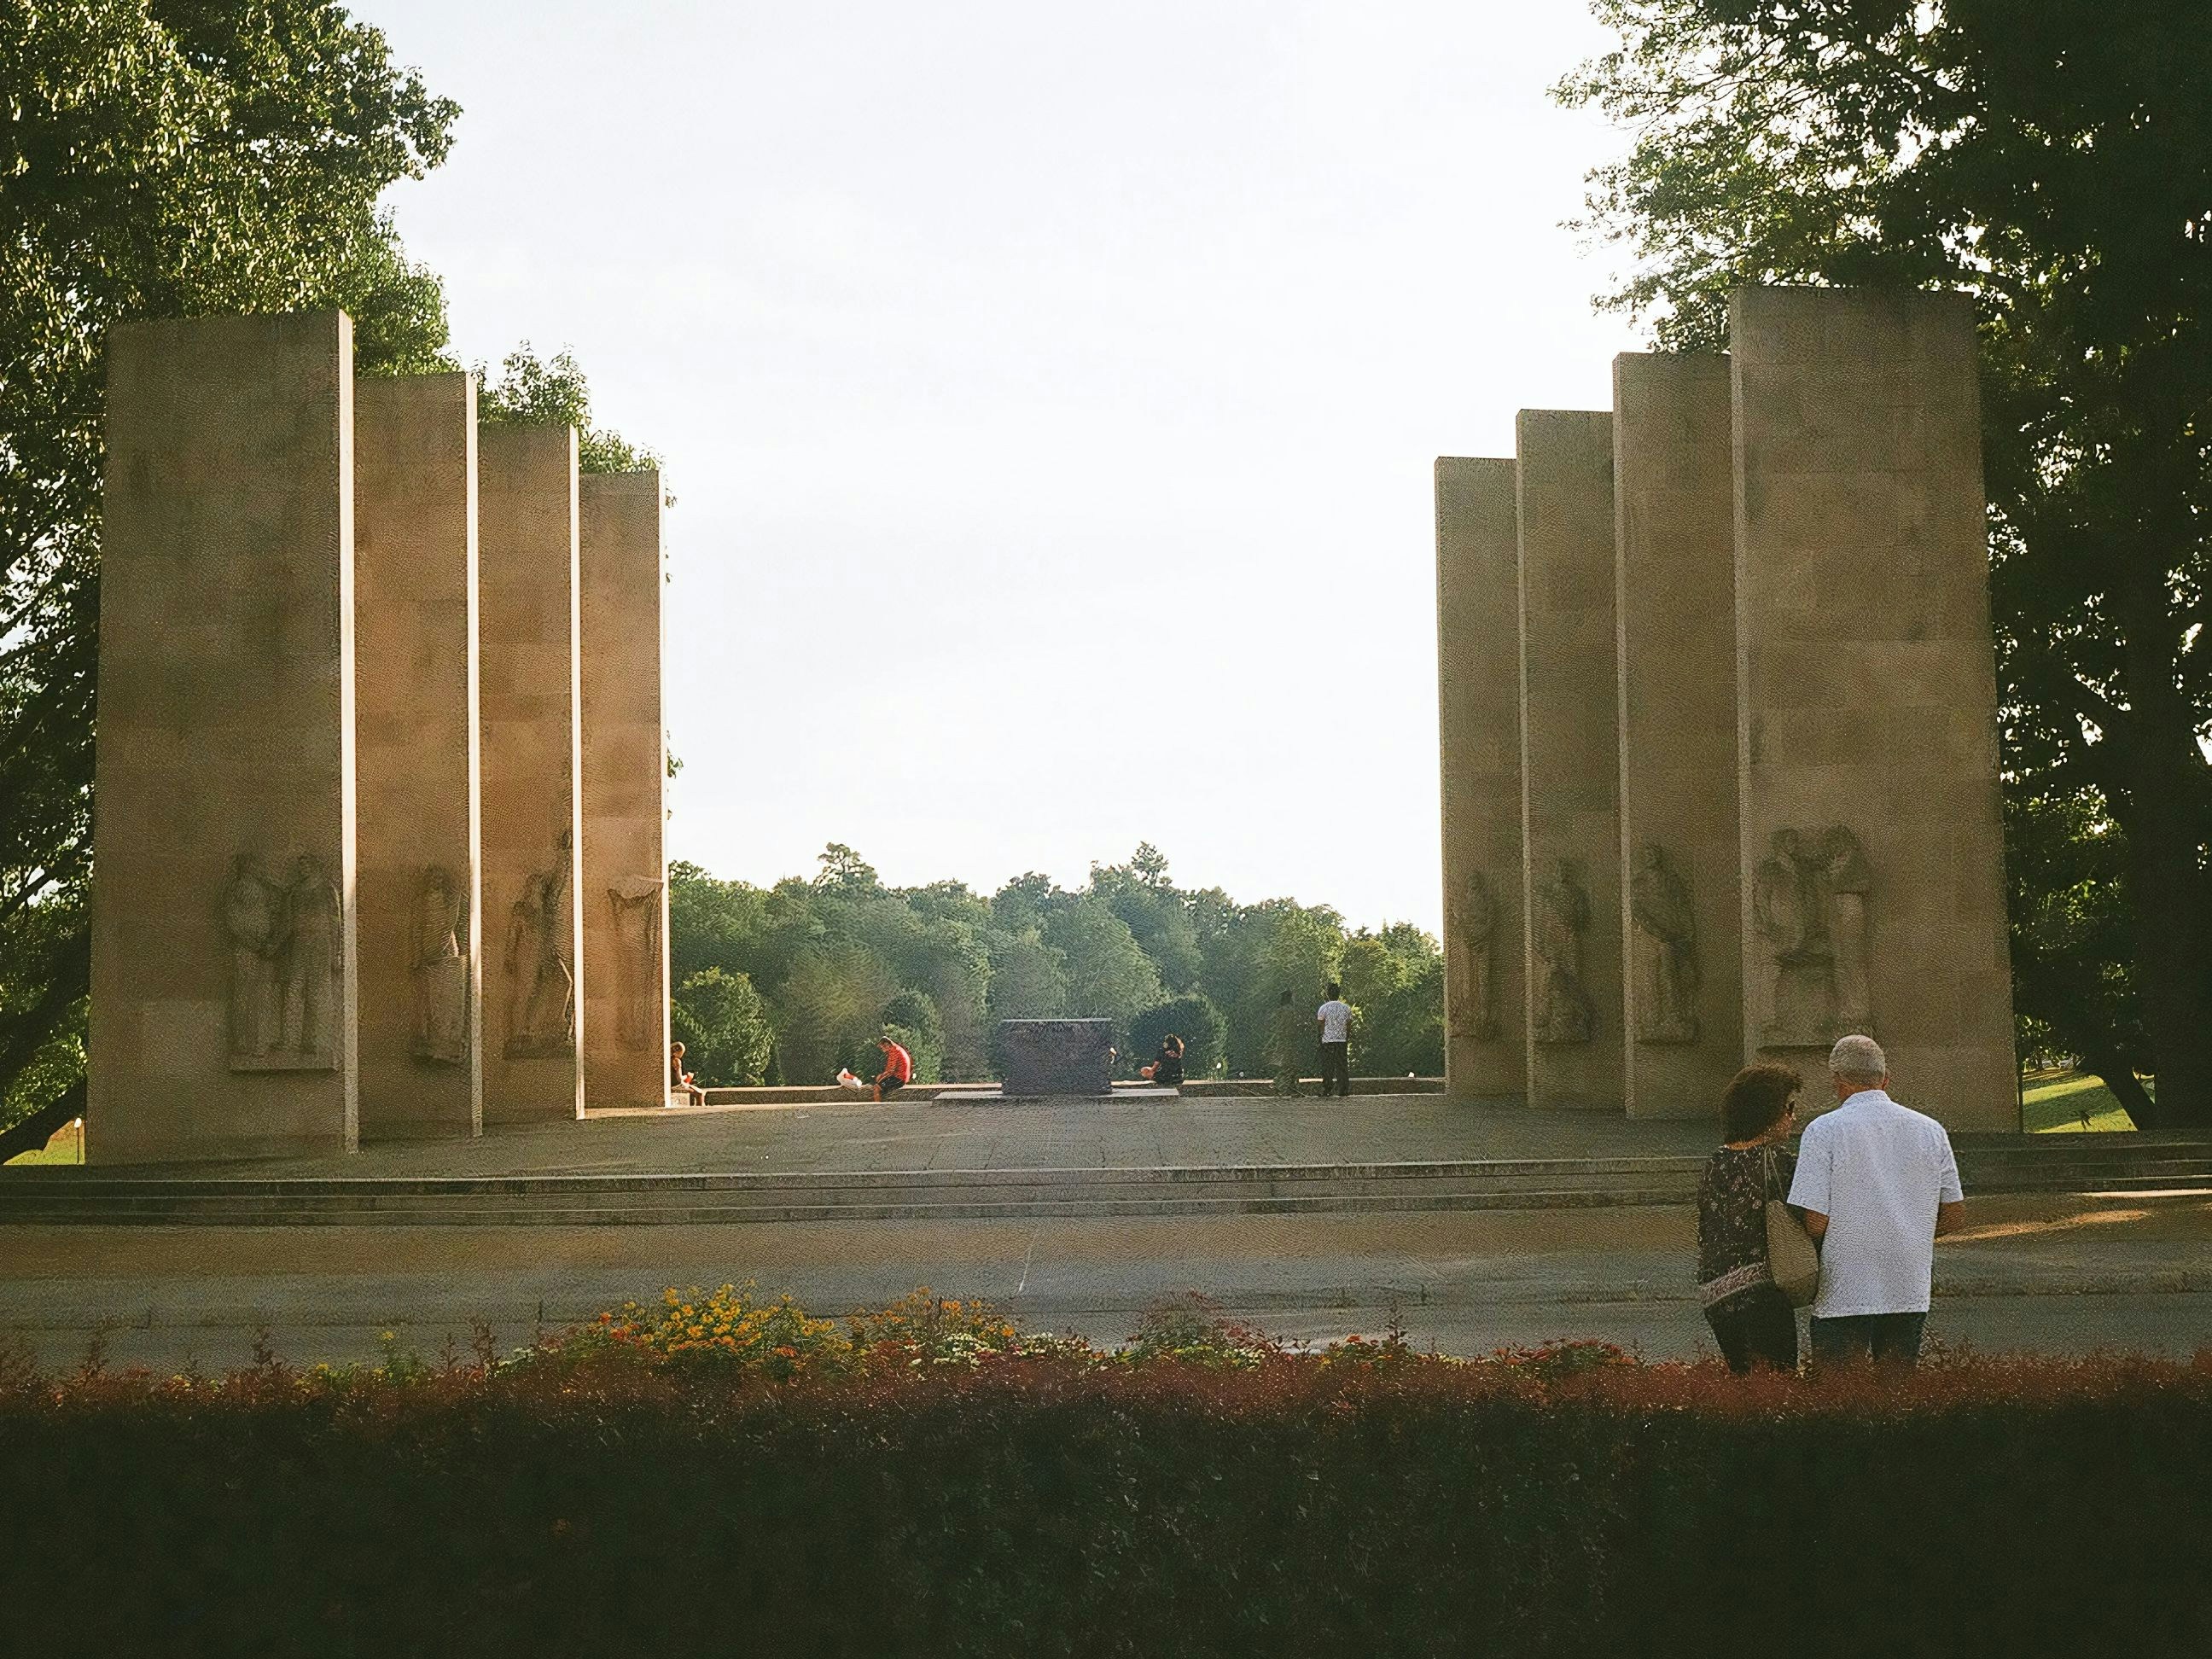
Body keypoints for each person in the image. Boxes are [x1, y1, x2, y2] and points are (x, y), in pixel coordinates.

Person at [1787, 1033, 1965, 1370]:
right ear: (1886, 1079)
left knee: (1840, 1391)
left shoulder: (1823, 1131)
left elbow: (1815, 1220)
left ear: (1837, 1080)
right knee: (1896, 1389)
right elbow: (1954, 1215)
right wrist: (1911, 1233)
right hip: (1908, 1278)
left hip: (1844, 1282)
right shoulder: (1931, 1130)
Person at [1696, 1062, 1805, 1373]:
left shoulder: (1716, 1161)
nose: (1793, 1117)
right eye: (1788, 1108)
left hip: (1715, 1293)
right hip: (1761, 1294)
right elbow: (1812, 1218)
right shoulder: (1779, 1162)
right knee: (1778, 1385)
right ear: (1766, 1113)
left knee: (1745, 1384)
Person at [1315, 983, 1353, 1098]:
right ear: (1339, 994)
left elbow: (1321, 1025)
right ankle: (1343, 1090)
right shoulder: (1346, 1008)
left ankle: (1327, 1089)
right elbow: (1349, 1025)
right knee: (1342, 1065)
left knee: (1328, 1065)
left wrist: (1321, 1037)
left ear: (1328, 994)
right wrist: (1346, 1037)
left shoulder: (1323, 1008)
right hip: (1341, 1040)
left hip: (1327, 1040)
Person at [872, 1033, 913, 1102]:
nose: (882, 1049)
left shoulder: (894, 1052)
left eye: (882, 1047)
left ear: (887, 1044)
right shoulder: (896, 1049)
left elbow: (890, 1071)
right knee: (881, 1086)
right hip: (902, 1077)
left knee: (876, 1088)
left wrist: (880, 1078)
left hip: (899, 1078)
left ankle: (878, 1109)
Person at [668, 1042, 705, 1106]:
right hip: (676, 1085)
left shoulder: (668, 1059)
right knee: (699, 1093)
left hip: (670, 1084)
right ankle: (700, 1113)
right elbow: (680, 1079)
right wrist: (687, 1076)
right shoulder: (676, 1061)